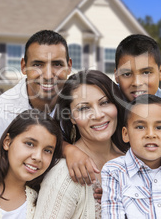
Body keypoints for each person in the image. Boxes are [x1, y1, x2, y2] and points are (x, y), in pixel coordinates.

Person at [0, 30, 99, 211]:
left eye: (57, 64)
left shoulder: (77, 100)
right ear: (23, 66)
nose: (47, 74)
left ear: (69, 66)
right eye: (37, 64)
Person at [34, 70, 129, 219]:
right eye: (84, 108)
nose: (98, 115)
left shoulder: (134, 161)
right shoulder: (64, 174)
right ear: (71, 117)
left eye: (104, 102)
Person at [114, 34, 161, 155]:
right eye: (127, 74)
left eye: (146, 72)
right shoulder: (105, 102)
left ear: (160, 72)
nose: (137, 83)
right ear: (116, 76)